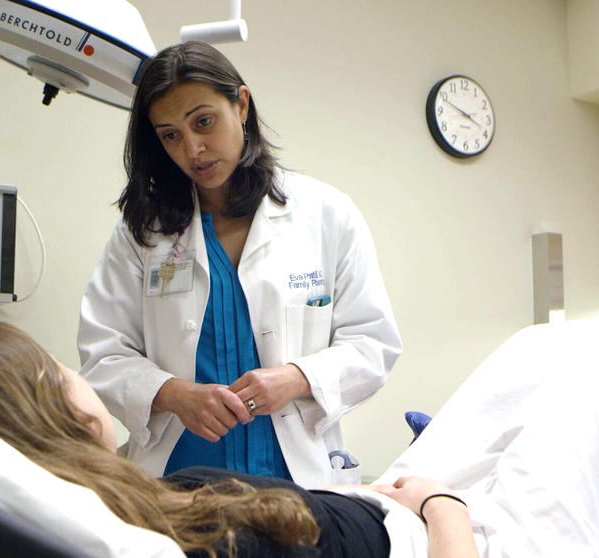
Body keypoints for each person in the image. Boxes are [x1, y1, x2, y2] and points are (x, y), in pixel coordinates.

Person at [0, 319, 599, 558]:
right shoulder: (193, 542)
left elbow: (370, 338)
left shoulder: (137, 508)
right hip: (456, 538)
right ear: (57, 406)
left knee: (547, 349)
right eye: (65, 370)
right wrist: (443, 508)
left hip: (380, 507)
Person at [77, 41, 402, 488]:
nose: (193, 149)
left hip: (295, 480)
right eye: (170, 135)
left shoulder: (326, 213)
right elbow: (103, 353)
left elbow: (373, 343)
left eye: (203, 122)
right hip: (178, 482)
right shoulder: (143, 232)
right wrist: (173, 394)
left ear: (241, 105)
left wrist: (297, 378)